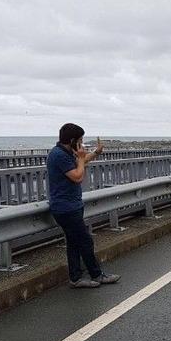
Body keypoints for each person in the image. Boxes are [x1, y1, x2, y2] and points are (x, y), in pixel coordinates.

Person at [47, 123, 120, 289]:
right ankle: (96, 274)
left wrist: (95, 153)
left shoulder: (65, 152)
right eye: (80, 140)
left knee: (74, 243)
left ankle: (76, 278)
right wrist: (80, 158)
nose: (81, 143)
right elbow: (77, 176)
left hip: (72, 205)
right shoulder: (58, 155)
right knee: (85, 241)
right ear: (72, 140)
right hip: (65, 208)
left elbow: (81, 162)